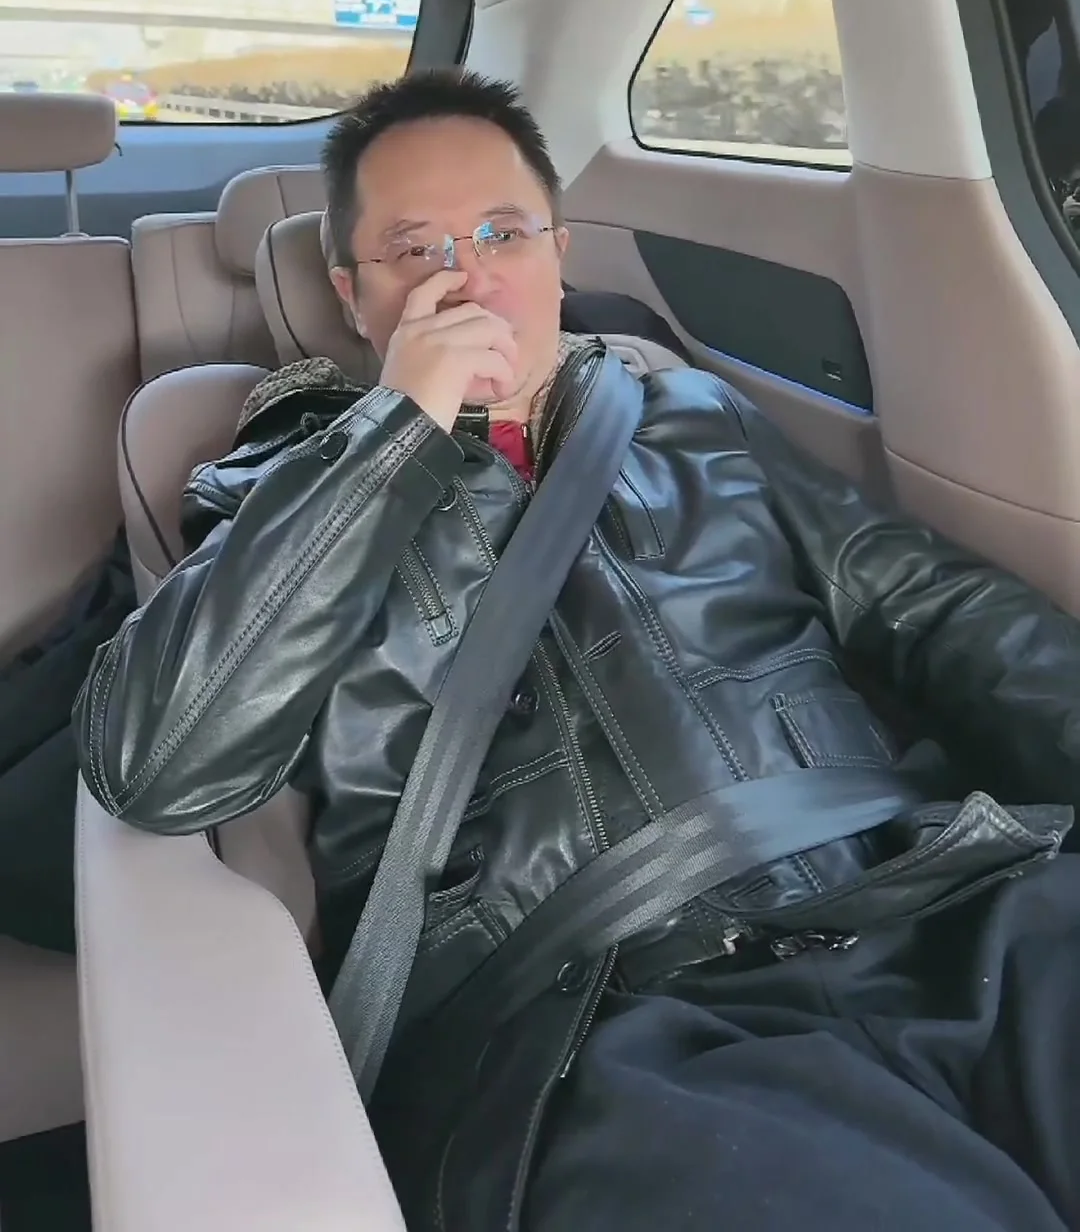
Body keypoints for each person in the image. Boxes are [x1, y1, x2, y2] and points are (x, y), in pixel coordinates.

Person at [75, 69, 1080, 1232]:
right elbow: (154, 766)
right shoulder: (278, 496)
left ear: (559, 252)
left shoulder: (695, 416)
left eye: (503, 233)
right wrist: (396, 433)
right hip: (607, 1026)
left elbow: (942, 612)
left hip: (934, 902)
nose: (468, 277)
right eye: (415, 251)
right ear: (353, 295)